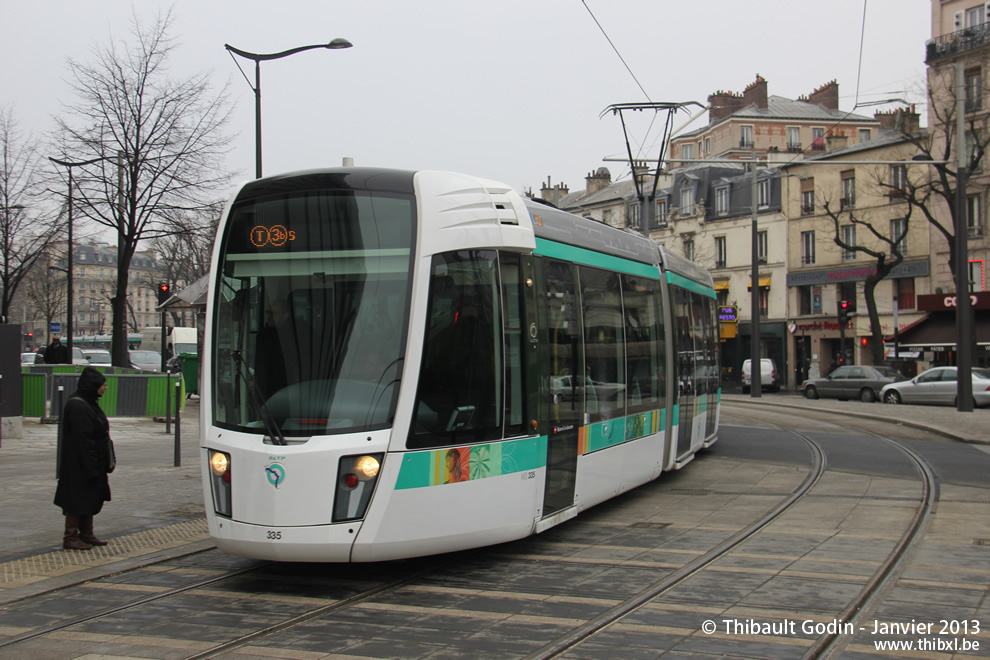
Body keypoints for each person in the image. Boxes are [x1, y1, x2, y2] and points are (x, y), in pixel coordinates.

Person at [54, 367, 116, 550]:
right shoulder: (78, 405)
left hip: (92, 462)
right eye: (102, 385)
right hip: (79, 464)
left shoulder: (89, 402)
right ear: (93, 386)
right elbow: (83, 440)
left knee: (90, 496)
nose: (105, 388)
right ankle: (71, 536)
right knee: (77, 498)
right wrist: (91, 466)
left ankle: (87, 534)